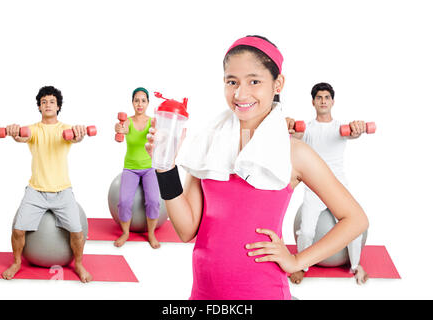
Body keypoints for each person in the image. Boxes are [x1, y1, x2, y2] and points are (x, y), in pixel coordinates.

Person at [146, 36, 369, 300]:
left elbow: (355, 219)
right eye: (232, 82)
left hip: (264, 292)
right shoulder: (208, 144)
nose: (240, 94)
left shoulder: (294, 154)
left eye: (254, 81)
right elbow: (186, 230)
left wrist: (296, 261)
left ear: (278, 84)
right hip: (204, 294)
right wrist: (165, 166)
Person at [2, 86, 92, 283]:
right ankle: (17, 262)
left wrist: (79, 133)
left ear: (58, 106)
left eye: (52, 101)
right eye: (44, 102)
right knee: (18, 230)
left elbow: (77, 137)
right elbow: (21, 136)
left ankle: (78, 263)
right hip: (36, 191)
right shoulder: (33, 129)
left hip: (63, 191)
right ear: (39, 107)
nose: (48, 105)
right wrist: (13, 132)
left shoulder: (66, 129)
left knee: (77, 232)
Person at [289, 82, 369, 285]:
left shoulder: (340, 128)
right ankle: (300, 266)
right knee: (306, 230)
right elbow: (294, 136)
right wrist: (288, 127)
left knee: (353, 227)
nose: (323, 101)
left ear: (332, 101)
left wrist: (358, 128)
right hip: (314, 185)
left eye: (326, 98)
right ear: (313, 102)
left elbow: (354, 133)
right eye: (319, 98)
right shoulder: (306, 128)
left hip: (338, 185)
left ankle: (355, 266)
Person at [114, 87, 161, 248]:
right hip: (130, 168)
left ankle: (151, 233)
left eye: (143, 100)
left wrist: (158, 130)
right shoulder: (127, 121)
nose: (139, 104)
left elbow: (157, 135)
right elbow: (122, 128)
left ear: (147, 103)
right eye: (136, 100)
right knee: (124, 202)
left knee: (154, 201)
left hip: (149, 168)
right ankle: (125, 233)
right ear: (132, 103)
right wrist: (118, 128)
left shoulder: (152, 121)